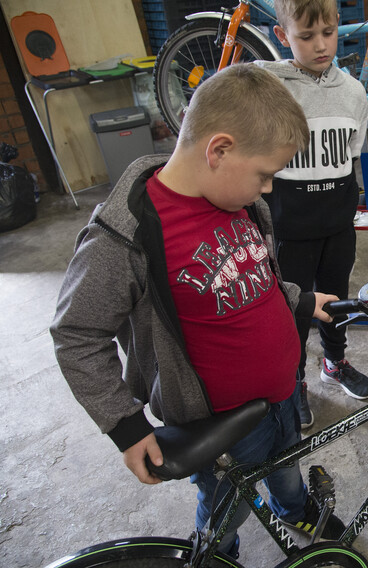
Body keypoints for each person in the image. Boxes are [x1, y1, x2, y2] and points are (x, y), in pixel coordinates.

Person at [49, 63, 346, 558]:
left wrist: (299, 298)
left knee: (287, 466)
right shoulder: (128, 232)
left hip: (282, 394)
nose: (268, 188)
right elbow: (76, 333)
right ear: (219, 150)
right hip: (221, 427)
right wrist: (125, 425)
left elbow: (254, 271)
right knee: (226, 505)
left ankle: (293, 508)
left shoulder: (240, 202)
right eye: (265, 174)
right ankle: (216, 554)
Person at [254, 0, 368, 430]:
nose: (320, 45)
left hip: (338, 227)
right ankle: (294, 383)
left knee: (337, 302)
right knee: (295, 311)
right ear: (282, 35)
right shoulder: (270, 90)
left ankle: (334, 363)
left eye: (328, 33)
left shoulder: (354, 93)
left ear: (338, 25)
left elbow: (351, 156)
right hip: (289, 228)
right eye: (306, 36)